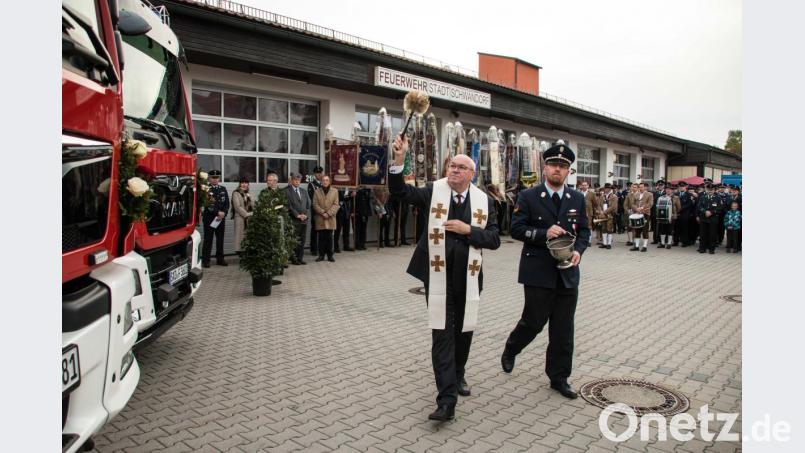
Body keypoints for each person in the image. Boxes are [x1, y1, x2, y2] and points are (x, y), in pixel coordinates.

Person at [389, 136, 500, 422]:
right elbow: (401, 193)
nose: (454, 170)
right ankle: (446, 400)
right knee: (441, 334)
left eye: (461, 167)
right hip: (438, 277)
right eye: (451, 165)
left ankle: (458, 374)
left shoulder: (484, 202)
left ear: (471, 174)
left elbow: (494, 239)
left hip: (470, 278)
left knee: (464, 331)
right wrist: (399, 163)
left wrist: (467, 230)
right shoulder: (432, 192)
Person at [501, 141, 590, 401]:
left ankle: (559, 377)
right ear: (545, 167)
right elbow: (516, 229)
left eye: (563, 167)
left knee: (563, 330)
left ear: (568, 171)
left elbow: (583, 231)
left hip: (567, 272)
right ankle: (512, 347)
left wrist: (579, 251)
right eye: (553, 165)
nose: (558, 170)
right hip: (538, 270)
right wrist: (543, 233)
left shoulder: (577, 198)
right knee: (533, 322)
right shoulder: (529, 196)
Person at [202, 170, 230, 268]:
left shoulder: (223, 189)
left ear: (219, 178)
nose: (215, 179)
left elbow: (227, 203)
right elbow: (207, 204)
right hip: (210, 218)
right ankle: (206, 260)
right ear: (209, 178)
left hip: (221, 218)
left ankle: (220, 259)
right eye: (213, 178)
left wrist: (224, 213)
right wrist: (217, 212)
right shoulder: (206, 189)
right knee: (208, 240)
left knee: (220, 239)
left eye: (216, 177)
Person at [285, 173, 311, 265]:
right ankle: (293, 259)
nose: (297, 181)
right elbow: (289, 205)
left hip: (304, 220)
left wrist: (305, 215)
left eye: (299, 180)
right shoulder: (287, 191)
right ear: (291, 180)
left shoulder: (304, 191)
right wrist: (297, 215)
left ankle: (300, 258)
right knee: (294, 240)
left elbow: (308, 205)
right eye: (295, 180)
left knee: (302, 240)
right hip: (294, 220)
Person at [312, 175, 339, 262]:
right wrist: (323, 212)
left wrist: (328, 213)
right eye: (323, 180)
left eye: (327, 180)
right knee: (321, 238)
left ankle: (330, 255)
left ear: (329, 181)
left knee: (330, 238)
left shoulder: (335, 191)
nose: (325, 182)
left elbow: (336, 204)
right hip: (320, 218)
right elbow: (315, 204)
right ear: (321, 181)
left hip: (330, 218)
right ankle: (321, 255)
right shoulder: (317, 191)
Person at [696, 183, 725, 254]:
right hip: (704, 218)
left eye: (712, 190)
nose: (710, 191)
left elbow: (720, 208)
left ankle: (711, 249)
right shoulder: (703, 197)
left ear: (714, 190)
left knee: (712, 234)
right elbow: (699, 206)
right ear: (706, 189)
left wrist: (711, 212)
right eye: (709, 189)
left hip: (713, 219)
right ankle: (702, 248)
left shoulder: (718, 198)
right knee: (703, 234)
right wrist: (705, 211)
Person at [626, 182, 653, 252]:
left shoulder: (649, 194)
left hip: (645, 214)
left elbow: (650, 203)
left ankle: (644, 246)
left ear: (645, 187)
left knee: (645, 231)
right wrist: (636, 209)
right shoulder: (636, 194)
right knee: (637, 230)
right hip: (637, 213)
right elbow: (632, 204)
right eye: (639, 187)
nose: (640, 188)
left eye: (642, 187)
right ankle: (636, 246)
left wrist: (642, 208)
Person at [231, 177, 253, 255]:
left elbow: (252, 205)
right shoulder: (236, 193)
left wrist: (252, 213)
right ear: (240, 184)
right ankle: (240, 254)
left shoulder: (248, 193)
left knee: (247, 237)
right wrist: (246, 214)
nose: (244, 184)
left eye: (246, 183)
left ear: (248, 184)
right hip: (240, 218)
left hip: (249, 218)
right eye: (242, 183)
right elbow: (237, 206)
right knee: (240, 238)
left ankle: (246, 254)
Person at [656, 184, 681, 249]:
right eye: (667, 189)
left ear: (672, 190)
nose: (668, 191)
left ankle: (669, 243)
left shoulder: (676, 197)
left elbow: (679, 208)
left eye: (669, 189)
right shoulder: (661, 197)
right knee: (662, 230)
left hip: (672, 217)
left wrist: (674, 213)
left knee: (670, 230)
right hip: (663, 216)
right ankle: (662, 243)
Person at [595, 183, 618, 249]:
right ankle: (604, 243)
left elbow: (613, 206)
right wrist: (600, 211)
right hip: (603, 214)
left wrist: (604, 212)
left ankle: (609, 243)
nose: (606, 189)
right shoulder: (602, 196)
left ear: (610, 189)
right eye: (605, 188)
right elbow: (598, 205)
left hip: (610, 214)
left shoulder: (614, 196)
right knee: (603, 228)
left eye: (608, 188)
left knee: (609, 229)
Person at [307, 166, 324, 256]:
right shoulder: (311, 185)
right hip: (316, 211)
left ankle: (321, 248)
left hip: (324, 211)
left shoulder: (323, 184)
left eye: (320, 173)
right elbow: (312, 198)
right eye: (317, 173)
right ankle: (314, 249)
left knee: (322, 231)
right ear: (314, 174)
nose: (319, 174)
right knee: (315, 230)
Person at [673, 181, 693, 246]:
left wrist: (680, 208)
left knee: (684, 228)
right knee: (676, 228)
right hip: (677, 214)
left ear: (685, 187)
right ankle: (675, 241)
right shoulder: (675, 194)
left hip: (685, 214)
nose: (681, 188)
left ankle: (685, 242)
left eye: (683, 186)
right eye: (680, 186)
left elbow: (689, 204)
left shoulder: (689, 195)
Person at [335, 188, 355, 252]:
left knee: (347, 229)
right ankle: (336, 247)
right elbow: (341, 198)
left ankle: (346, 246)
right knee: (338, 229)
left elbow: (352, 201)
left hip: (347, 211)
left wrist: (351, 211)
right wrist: (350, 196)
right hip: (339, 211)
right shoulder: (338, 188)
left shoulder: (350, 189)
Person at [578, 181, 597, 245]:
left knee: (589, 226)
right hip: (580, 213)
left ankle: (589, 241)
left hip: (589, 213)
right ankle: (581, 239)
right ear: (581, 186)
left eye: (585, 185)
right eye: (583, 185)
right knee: (580, 225)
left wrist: (594, 212)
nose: (584, 186)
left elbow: (595, 204)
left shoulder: (592, 194)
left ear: (588, 186)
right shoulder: (578, 193)